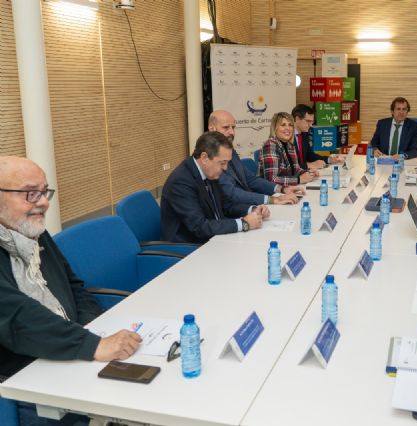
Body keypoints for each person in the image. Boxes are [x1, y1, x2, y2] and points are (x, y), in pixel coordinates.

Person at [0, 156, 141, 425]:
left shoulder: (33, 233)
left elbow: (73, 285)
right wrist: (92, 345)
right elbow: (16, 316)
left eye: (45, 192)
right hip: (25, 378)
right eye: (31, 193)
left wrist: (91, 328)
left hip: (70, 348)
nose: (44, 202)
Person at [161, 131, 269, 244]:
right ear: (204, 158)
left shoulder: (209, 171)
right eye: (222, 163)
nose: (225, 168)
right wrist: (244, 223)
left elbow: (226, 206)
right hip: (188, 246)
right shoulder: (181, 182)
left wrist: (252, 210)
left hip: (213, 238)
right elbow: (200, 227)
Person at [209, 110, 303, 206]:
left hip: (249, 204)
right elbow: (232, 193)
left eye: (233, 127)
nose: (232, 132)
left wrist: (282, 189)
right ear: (212, 128)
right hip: (238, 208)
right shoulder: (210, 157)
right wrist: (272, 200)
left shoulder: (231, 151)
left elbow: (250, 179)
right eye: (226, 127)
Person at [258, 112, 318, 186]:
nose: (288, 128)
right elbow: (272, 180)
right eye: (283, 125)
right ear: (275, 128)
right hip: (272, 191)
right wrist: (299, 179)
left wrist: (308, 172)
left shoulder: (289, 145)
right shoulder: (271, 145)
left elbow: (296, 170)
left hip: (288, 188)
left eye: (290, 125)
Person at [291, 104, 343, 170]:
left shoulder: (304, 134)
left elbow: (310, 156)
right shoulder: (287, 137)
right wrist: (309, 165)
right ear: (297, 119)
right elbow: (289, 166)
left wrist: (330, 159)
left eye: (312, 122)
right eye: (308, 121)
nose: (311, 125)